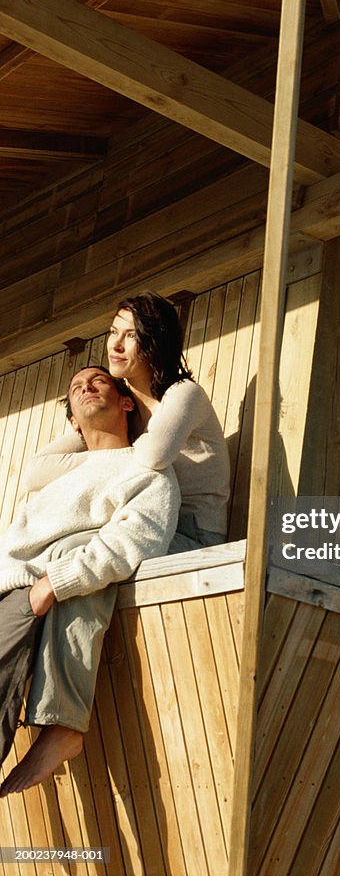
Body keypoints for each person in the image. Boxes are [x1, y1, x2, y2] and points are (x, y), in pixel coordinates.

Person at [0, 366, 179, 794]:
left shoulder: (147, 469)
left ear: (126, 401)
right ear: (73, 423)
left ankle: (62, 728)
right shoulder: (53, 483)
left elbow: (134, 541)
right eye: (75, 386)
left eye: (98, 381)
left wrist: (50, 584)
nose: (85, 386)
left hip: (35, 593)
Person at [22, 291, 230, 551]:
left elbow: (155, 456)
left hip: (192, 534)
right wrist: (99, 452)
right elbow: (34, 473)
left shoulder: (184, 393)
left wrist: (107, 453)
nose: (116, 345)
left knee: (76, 549)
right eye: (113, 332)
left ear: (156, 342)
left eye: (131, 335)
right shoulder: (121, 403)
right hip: (138, 522)